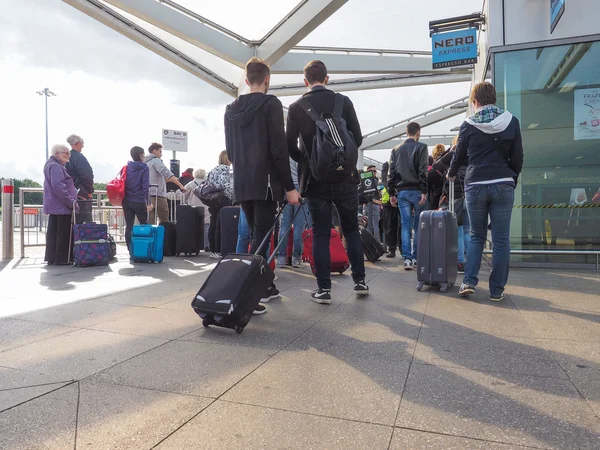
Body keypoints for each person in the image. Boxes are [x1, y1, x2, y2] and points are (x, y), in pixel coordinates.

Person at [286, 59, 368, 303]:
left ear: (305, 81)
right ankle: (360, 281)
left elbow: (290, 146)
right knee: (351, 229)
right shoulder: (343, 102)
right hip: (346, 178)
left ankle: (323, 289)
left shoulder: (296, 107)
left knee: (321, 233)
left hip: (315, 181)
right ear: (327, 78)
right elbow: (359, 139)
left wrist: (308, 160)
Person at [448, 81, 523, 302]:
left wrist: (451, 173)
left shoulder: (468, 124)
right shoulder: (511, 122)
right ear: (494, 99)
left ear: (475, 101)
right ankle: (496, 290)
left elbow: (459, 155)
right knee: (501, 239)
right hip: (503, 183)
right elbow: (518, 157)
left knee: (476, 235)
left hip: (476, 185)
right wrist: (511, 177)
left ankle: (469, 281)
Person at [388, 122, 428, 270]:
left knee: (405, 225)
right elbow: (423, 171)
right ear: (418, 132)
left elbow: (391, 173)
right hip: (418, 190)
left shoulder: (396, 149)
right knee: (418, 225)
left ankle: (407, 259)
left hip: (402, 191)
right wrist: (424, 190)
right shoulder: (422, 147)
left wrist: (392, 193)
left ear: (406, 132)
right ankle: (416, 257)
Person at [433, 138, 469, 273]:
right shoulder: (472, 153)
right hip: (470, 195)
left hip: (455, 197)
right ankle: (469, 261)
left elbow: (436, 165)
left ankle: (460, 262)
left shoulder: (453, 157)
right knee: (468, 230)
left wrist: (450, 150)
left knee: (459, 230)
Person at [43, 144, 79, 265]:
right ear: (57, 154)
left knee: (53, 232)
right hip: (62, 206)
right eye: (65, 152)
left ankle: (53, 258)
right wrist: (71, 201)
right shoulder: (56, 166)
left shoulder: (51, 165)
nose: (68, 155)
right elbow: (59, 187)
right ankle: (62, 259)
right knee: (63, 233)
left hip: (55, 205)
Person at [276, 158, 307, 268]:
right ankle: (296, 258)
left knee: (285, 226)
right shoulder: (298, 153)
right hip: (300, 188)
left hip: (287, 189)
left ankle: (281, 258)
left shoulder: (284, 153)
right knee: (299, 226)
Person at [144, 142, 186, 224]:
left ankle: (153, 237)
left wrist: (169, 180)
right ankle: (164, 237)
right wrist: (181, 186)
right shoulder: (156, 161)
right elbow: (167, 173)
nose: (161, 154)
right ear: (154, 151)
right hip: (158, 195)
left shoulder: (145, 162)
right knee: (164, 220)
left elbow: (154, 179)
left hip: (147, 196)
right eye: (160, 151)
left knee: (150, 222)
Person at [122, 146, 151, 251]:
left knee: (129, 226)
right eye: (143, 154)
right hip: (139, 201)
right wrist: (148, 203)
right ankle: (143, 248)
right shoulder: (144, 168)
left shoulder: (127, 167)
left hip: (127, 200)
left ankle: (130, 250)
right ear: (140, 155)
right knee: (144, 225)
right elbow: (145, 187)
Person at [206, 151, 234, 259]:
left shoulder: (213, 170)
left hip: (212, 199)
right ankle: (219, 249)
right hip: (224, 198)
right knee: (221, 225)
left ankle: (213, 249)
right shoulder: (226, 169)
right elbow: (225, 184)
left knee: (213, 224)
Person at [65, 134, 94, 224]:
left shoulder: (68, 157)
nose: (83, 145)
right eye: (82, 143)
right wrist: (89, 190)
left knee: (74, 223)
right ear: (77, 143)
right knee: (85, 223)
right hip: (82, 195)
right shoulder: (79, 157)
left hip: (72, 193)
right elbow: (87, 175)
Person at [183, 168, 210, 250]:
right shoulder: (207, 184)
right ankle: (206, 245)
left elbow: (184, 194)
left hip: (193, 207)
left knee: (193, 225)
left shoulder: (190, 184)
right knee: (206, 226)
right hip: (206, 206)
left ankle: (194, 244)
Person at [363, 165, 382, 243]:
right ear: (368, 171)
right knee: (375, 224)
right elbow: (378, 194)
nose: (374, 173)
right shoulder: (374, 180)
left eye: (375, 171)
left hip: (368, 204)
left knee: (367, 224)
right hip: (374, 204)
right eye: (372, 171)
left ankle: (367, 242)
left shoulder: (364, 180)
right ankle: (377, 242)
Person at [381, 183, 401, 258]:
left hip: (396, 200)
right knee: (391, 227)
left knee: (394, 227)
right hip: (390, 202)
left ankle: (395, 248)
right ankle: (393, 248)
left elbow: (385, 181)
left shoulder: (386, 172)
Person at [427, 143, 447, 210]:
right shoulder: (448, 170)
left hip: (434, 202)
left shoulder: (430, 173)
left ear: (433, 156)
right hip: (446, 199)